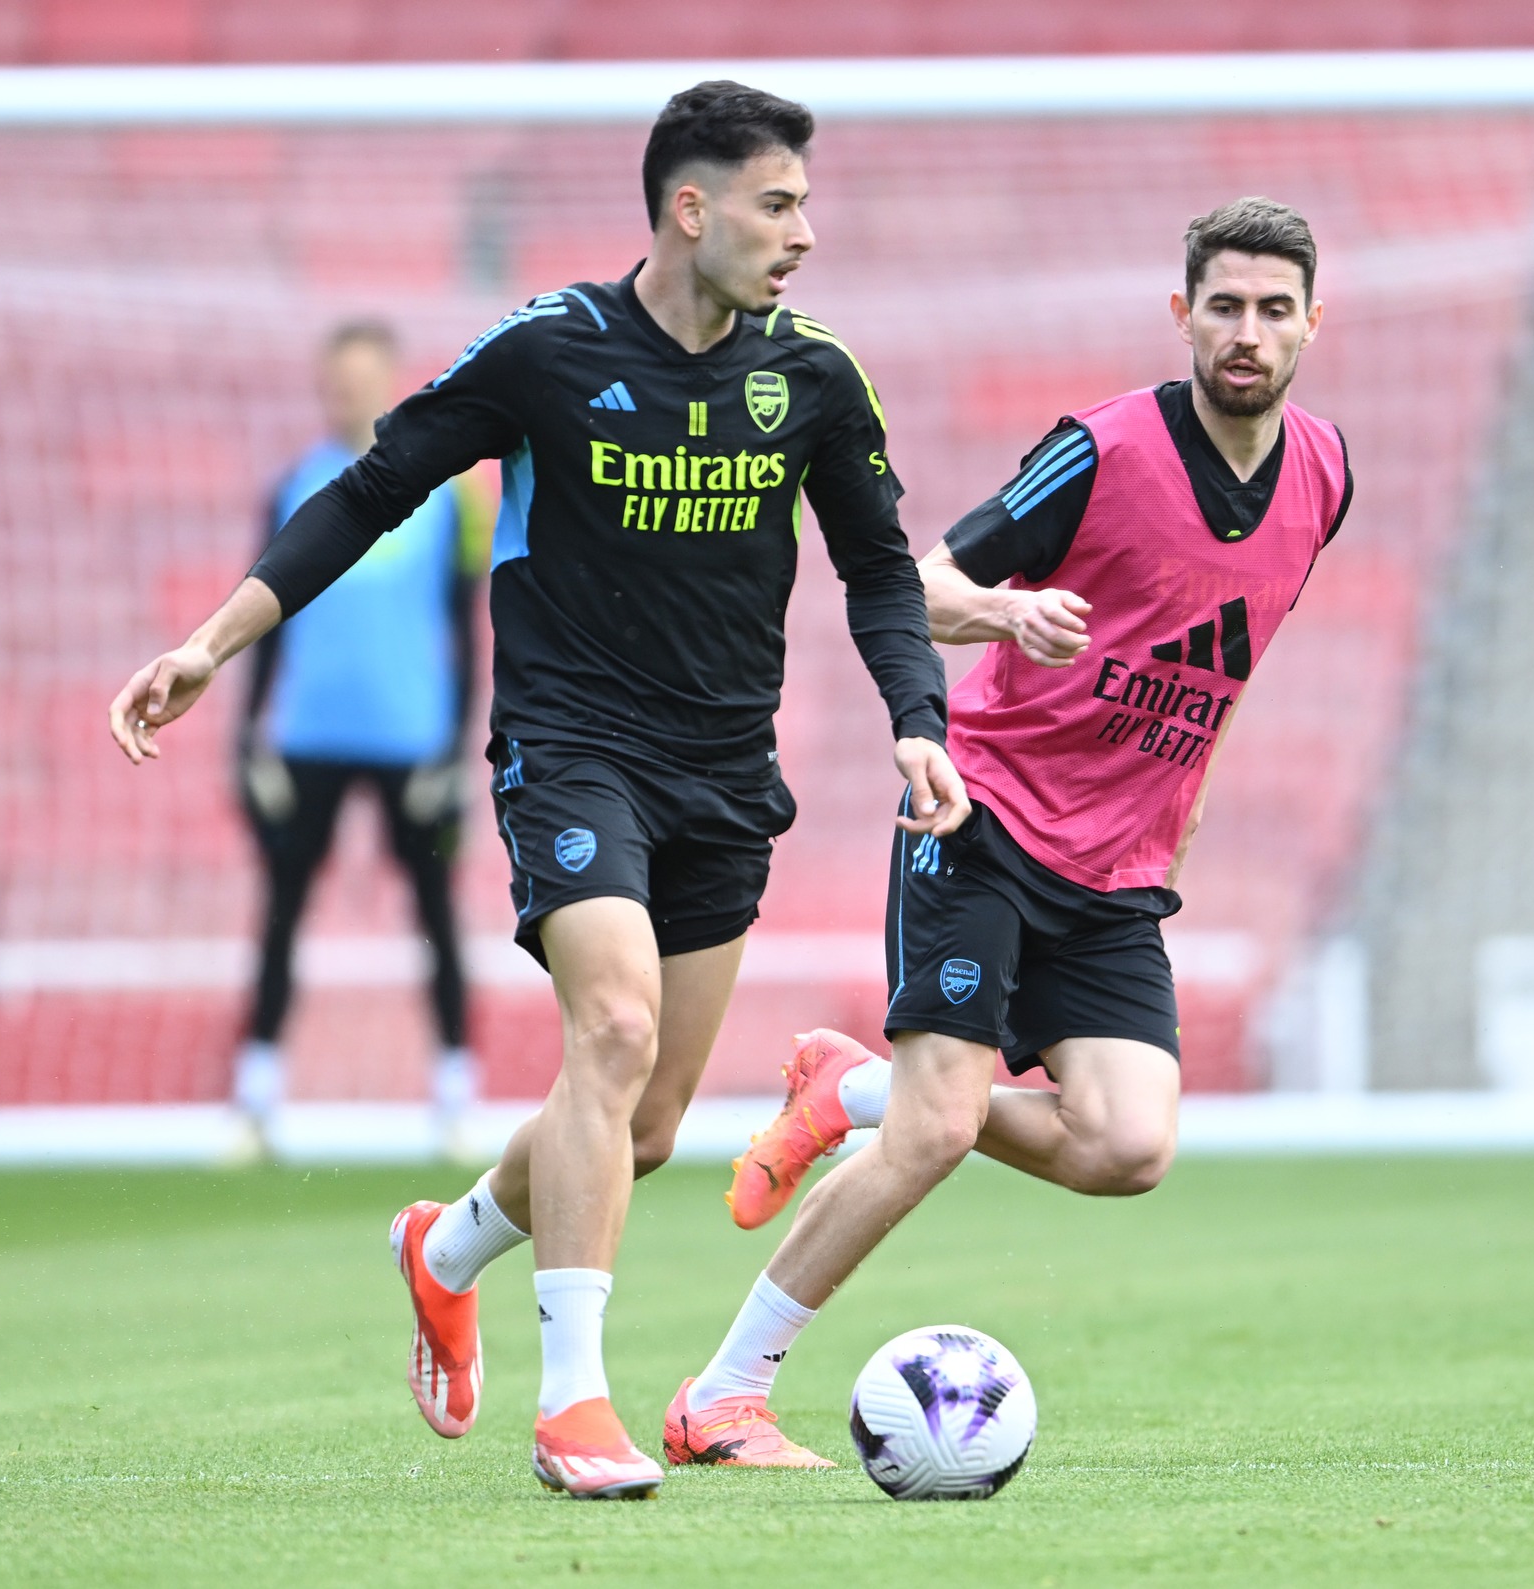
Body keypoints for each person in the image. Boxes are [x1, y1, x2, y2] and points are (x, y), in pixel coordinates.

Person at [106, 81, 966, 1500]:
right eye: (779, 203)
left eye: (805, 203)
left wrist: (916, 723)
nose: (805, 232)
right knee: (610, 1026)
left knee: (638, 1123)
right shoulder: (548, 353)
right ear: (692, 210)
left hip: (722, 770)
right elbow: (372, 487)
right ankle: (577, 1405)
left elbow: (878, 565)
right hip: (569, 745)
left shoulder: (812, 375)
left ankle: (443, 1252)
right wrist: (213, 641)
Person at [665, 197, 1352, 1468]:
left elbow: (1225, 665)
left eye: (1271, 309)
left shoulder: (1325, 473)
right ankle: (721, 1394)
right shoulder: (1100, 448)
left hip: (1118, 867)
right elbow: (906, 584)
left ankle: (849, 1087)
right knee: (933, 1131)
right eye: (1222, 306)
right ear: (1181, 314)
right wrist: (1005, 611)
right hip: (979, 817)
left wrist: (1177, 819)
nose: (1245, 332)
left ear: (1312, 321)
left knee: (1127, 1145)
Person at [231, 320, 489, 1138]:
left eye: (363, 375)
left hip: (412, 742)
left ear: (391, 382)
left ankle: (455, 1090)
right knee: (280, 912)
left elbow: (467, 628)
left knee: (436, 914)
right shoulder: (290, 488)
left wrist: (456, 748)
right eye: (336, 376)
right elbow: (261, 618)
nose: (348, 390)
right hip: (306, 737)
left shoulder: (449, 497)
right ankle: (257, 1094)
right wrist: (249, 738)